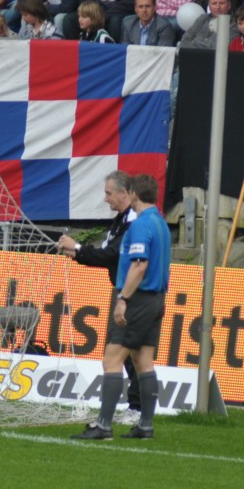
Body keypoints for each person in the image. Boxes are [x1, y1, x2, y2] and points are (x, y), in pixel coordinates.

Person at [71, 174, 170, 440]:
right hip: (156, 299)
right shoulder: (161, 223)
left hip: (137, 298)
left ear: (133, 194)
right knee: (143, 361)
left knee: (111, 360)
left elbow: (139, 265)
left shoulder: (139, 225)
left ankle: (103, 426)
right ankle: (145, 426)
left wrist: (123, 299)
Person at [58, 172, 142, 427]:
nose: (106, 199)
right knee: (129, 354)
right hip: (123, 292)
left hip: (132, 294)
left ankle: (132, 410)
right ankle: (136, 408)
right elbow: (106, 255)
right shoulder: (120, 221)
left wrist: (80, 248)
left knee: (122, 354)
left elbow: (112, 254)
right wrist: (77, 254)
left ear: (124, 193)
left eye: (108, 193)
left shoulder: (134, 222)